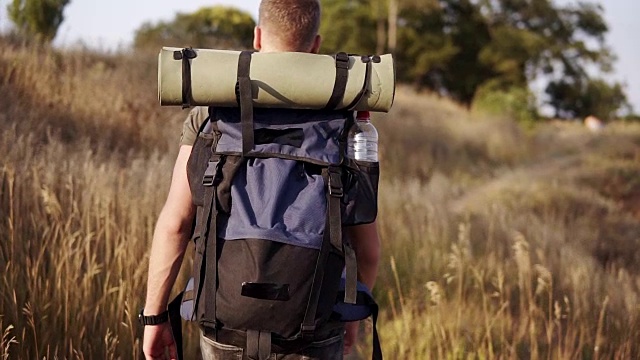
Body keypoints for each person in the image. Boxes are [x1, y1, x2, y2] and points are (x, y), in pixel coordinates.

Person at [141, 0, 381, 359]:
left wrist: (154, 317)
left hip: (226, 324)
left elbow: (176, 224)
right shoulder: (344, 122)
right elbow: (369, 250)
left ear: (257, 37)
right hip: (314, 329)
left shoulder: (212, 112)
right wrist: (351, 316)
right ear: (315, 46)